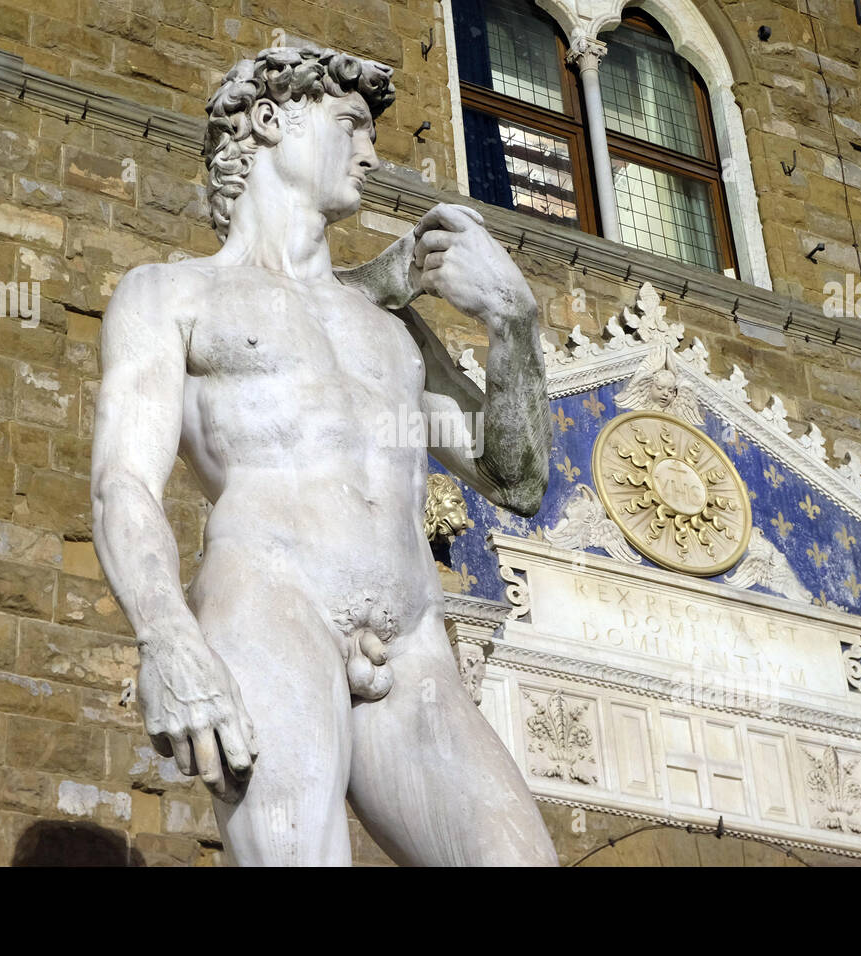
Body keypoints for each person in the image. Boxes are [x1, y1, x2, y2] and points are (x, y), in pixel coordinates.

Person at [91, 46, 556, 865]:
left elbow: (514, 480)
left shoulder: (388, 325)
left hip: (414, 644)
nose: (373, 153)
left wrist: (513, 321)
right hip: (273, 603)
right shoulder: (173, 293)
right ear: (271, 120)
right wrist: (166, 634)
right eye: (352, 126)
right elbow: (123, 483)